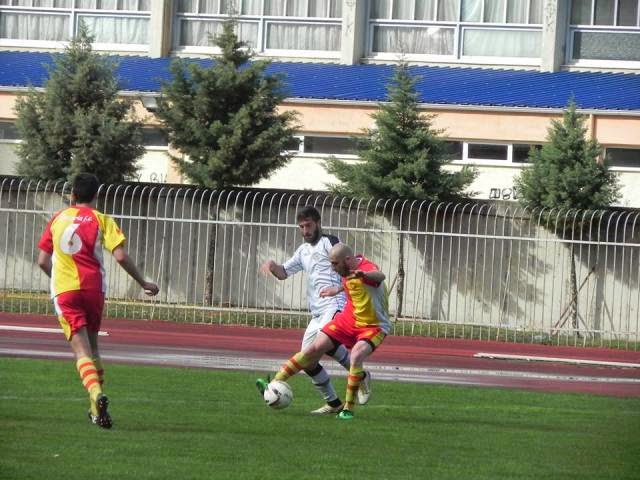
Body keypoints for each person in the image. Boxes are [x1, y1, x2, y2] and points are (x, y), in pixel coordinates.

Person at [37, 173, 159, 429]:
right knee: (93, 348)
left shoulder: (58, 218)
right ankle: (96, 411)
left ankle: (95, 394)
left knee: (81, 351)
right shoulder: (102, 219)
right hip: (93, 290)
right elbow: (120, 256)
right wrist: (143, 283)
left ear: (72, 195)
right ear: (97, 195)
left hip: (65, 291)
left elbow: (42, 261)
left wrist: (58, 280)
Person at [258, 206, 371, 415]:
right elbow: (283, 273)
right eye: (301, 227)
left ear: (318, 223)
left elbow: (348, 263)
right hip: (317, 313)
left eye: (308, 225)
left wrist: (341, 288)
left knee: (318, 347)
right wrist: (273, 265)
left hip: (335, 305)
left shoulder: (330, 242)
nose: (305, 230)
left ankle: (359, 376)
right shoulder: (303, 251)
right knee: (308, 361)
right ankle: (334, 402)